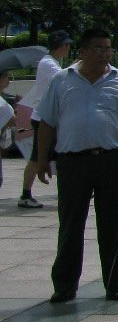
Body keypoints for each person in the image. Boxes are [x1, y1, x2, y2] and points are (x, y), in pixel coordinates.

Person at [32, 29, 118, 303]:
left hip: (110, 159)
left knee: (112, 224)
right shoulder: (62, 80)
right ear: (81, 52)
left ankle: (115, 283)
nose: (104, 54)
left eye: (108, 49)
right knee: (70, 224)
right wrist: (42, 158)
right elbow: (47, 122)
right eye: (98, 49)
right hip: (72, 161)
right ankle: (65, 285)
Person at [16, 31, 68, 208]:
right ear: (60, 46)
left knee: (58, 155)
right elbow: (63, 79)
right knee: (38, 158)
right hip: (44, 119)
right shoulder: (48, 64)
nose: (68, 48)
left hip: (48, 117)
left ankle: (66, 191)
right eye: (66, 45)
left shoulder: (52, 62)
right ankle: (25, 194)